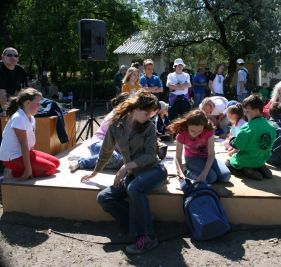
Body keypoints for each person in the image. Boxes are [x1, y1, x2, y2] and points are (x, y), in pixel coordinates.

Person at [81, 91, 168, 254]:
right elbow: (105, 152)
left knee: (134, 188)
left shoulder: (149, 127)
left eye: (151, 114)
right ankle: (143, 221)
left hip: (154, 171)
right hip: (134, 174)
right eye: (147, 113)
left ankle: (148, 237)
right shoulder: (115, 126)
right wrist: (95, 172)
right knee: (104, 198)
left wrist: (126, 167)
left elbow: (151, 155)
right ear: (135, 108)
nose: (149, 116)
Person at [0, 88, 60, 178]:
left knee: (56, 163)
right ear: (27, 103)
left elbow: (29, 144)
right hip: (12, 158)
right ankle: (17, 173)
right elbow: (23, 144)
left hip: (25, 152)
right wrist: (28, 169)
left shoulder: (31, 117)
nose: (39, 107)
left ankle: (20, 170)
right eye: (37, 103)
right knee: (51, 168)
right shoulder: (18, 118)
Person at [68, 93, 130, 172]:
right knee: (114, 157)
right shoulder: (113, 117)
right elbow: (114, 141)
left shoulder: (127, 116)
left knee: (120, 161)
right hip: (99, 143)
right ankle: (80, 162)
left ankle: (84, 158)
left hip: (113, 148)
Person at [168, 109, 231, 184]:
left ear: (204, 127)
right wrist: (180, 172)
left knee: (225, 176)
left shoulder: (209, 131)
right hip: (192, 158)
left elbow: (211, 154)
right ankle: (186, 170)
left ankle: (202, 172)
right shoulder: (181, 134)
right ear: (187, 125)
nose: (196, 134)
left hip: (207, 156)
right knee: (212, 178)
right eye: (192, 131)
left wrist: (204, 173)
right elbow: (178, 157)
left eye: (199, 131)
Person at [225, 95, 276, 181]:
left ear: (256, 110)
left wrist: (231, 140)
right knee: (256, 157)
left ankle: (247, 170)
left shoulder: (247, 127)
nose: (245, 114)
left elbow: (238, 146)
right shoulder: (271, 127)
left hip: (246, 159)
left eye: (247, 111)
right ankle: (260, 168)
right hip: (261, 159)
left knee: (228, 164)